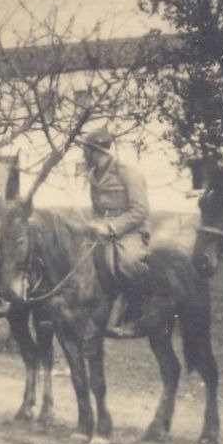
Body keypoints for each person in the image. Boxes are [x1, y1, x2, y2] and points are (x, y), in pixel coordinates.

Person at [80, 129, 151, 339]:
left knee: (127, 261)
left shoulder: (127, 172)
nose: (83, 155)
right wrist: (93, 223)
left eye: (85, 150)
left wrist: (112, 228)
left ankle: (133, 313)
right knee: (78, 255)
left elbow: (140, 210)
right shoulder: (93, 175)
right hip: (102, 228)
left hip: (130, 230)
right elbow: (96, 207)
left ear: (96, 151)